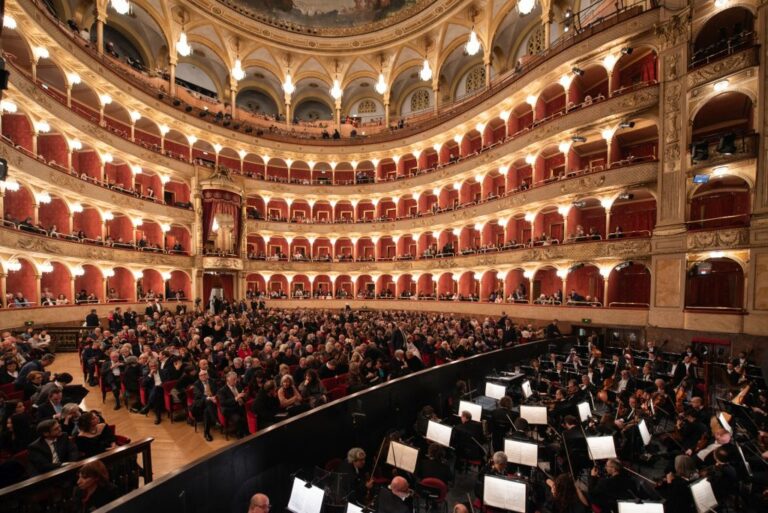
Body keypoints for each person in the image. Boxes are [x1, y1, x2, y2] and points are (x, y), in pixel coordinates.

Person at [217, 371, 247, 438]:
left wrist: (244, 396)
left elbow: (242, 394)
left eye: (236, 379)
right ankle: (240, 435)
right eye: (234, 379)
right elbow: (223, 402)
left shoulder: (238, 385)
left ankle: (246, 432)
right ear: (228, 380)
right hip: (230, 410)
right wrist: (236, 398)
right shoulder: (222, 390)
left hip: (240, 406)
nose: (236, 381)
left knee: (248, 415)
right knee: (238, 419)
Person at [192, 369, 219, 441]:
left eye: (205, 374)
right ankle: (215, 420)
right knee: (208, 402)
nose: (204, 376)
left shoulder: (212, 381)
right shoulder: (196, 384)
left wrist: (215, 397)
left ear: (208, 375)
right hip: (200, 404)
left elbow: (218, 391)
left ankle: (206, 433)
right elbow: (198, 395)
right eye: (202, 375)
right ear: (199, 377)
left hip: (213, 402)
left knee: (206, 412)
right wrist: (209, 398)